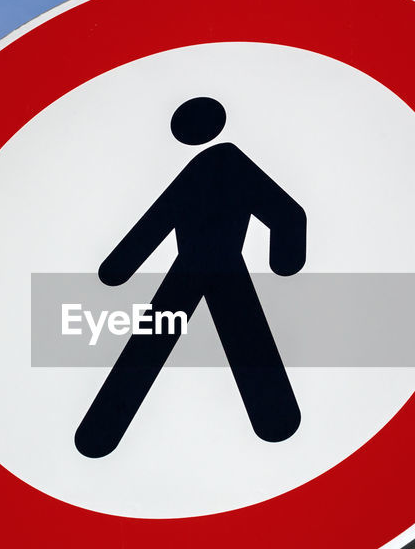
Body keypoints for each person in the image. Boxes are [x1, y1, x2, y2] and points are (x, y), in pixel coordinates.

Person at [74, 97, 306, 458]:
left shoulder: (225, 163)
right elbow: (159, 220)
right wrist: (118, 268)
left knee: (167, 344)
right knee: (229, 340)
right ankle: (99, 434)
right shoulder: (209, 167)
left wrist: (286, 260)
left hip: (208, 268)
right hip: (201, 268)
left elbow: (288, 214)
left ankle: (99, 433)